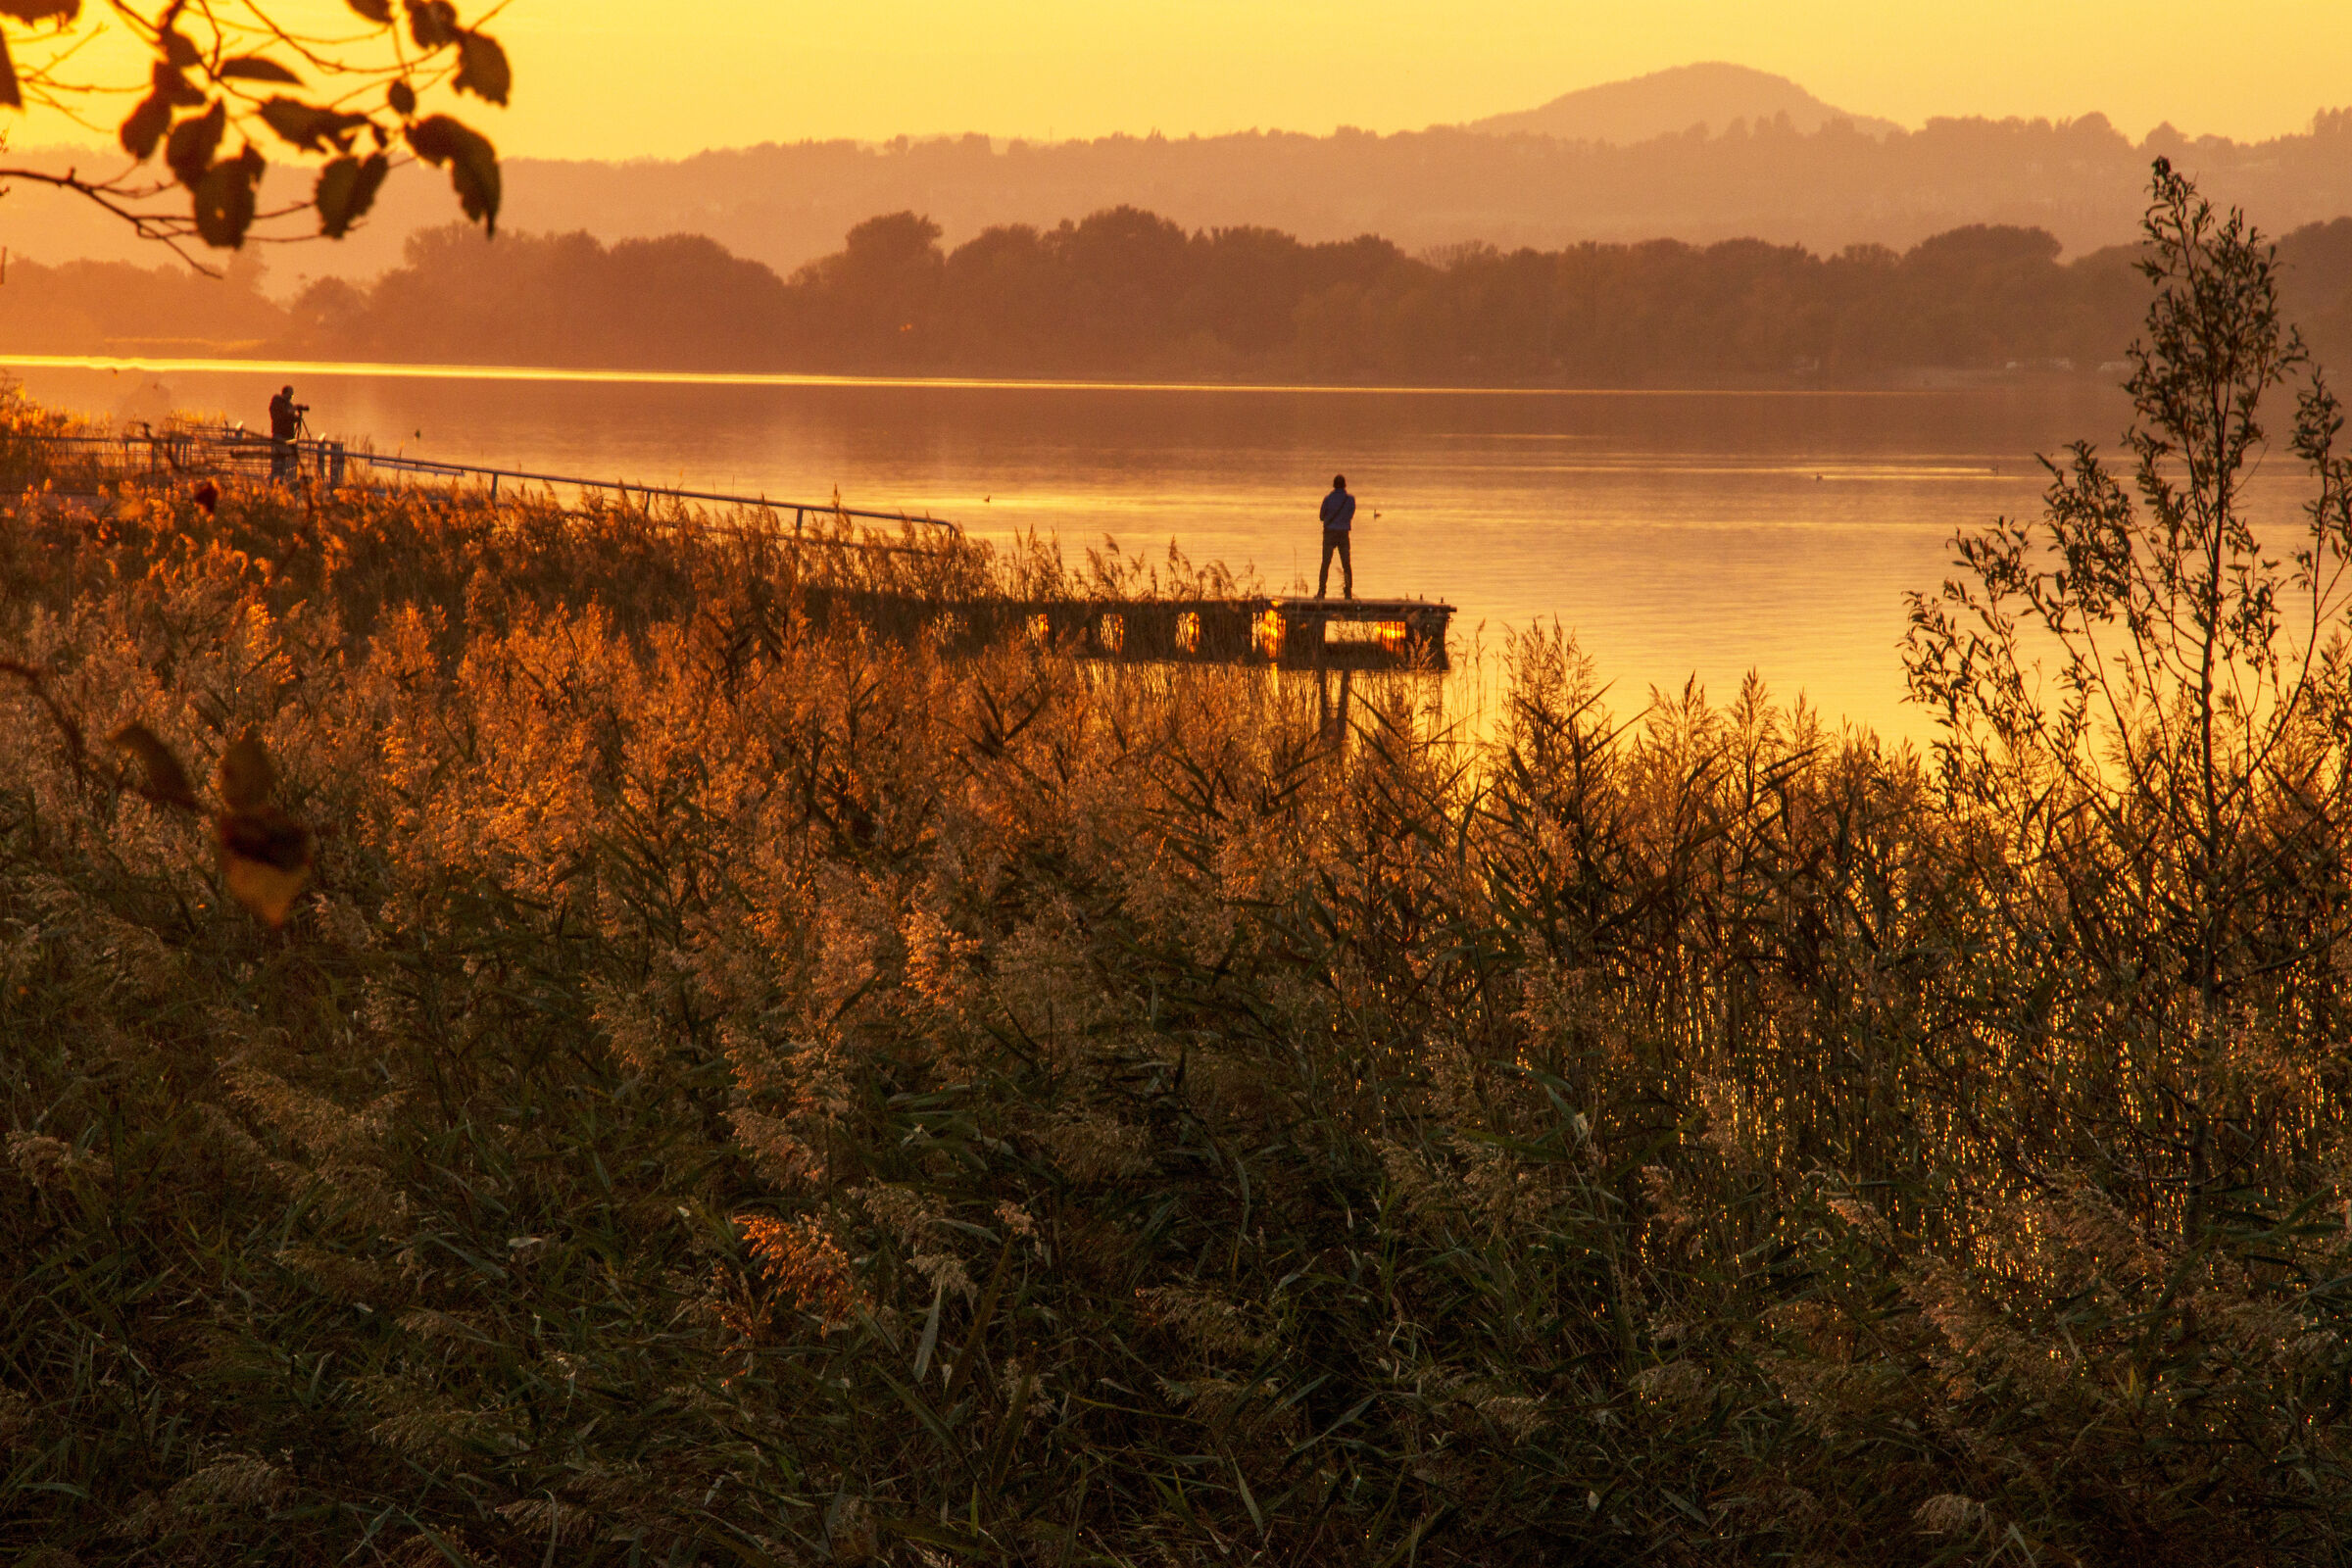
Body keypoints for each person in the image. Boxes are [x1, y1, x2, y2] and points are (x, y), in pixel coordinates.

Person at [1316, 473, 1356, 599]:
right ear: (1345, 485)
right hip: (1343, 534)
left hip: (1329, 533)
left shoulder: (1328, 499)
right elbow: (1350, 515)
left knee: (1325, 563)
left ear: (1333, 485)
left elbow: (1322, 517)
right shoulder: (1350, 500)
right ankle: (1348, 591)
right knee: (1346, 564)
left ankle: (1322, 591)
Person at [268, 384, 307, 480]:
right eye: (290, 394)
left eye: (292, 395)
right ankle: (275, 481)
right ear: (284, 393)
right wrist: (292, 410)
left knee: (288, 463)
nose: (291, 397)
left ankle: (287, 482)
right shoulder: (276, 402)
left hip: (288, 437)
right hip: (279, 436)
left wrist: (296, 418)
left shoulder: (288, 405)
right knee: (278, 462)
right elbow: (280, 417)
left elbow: (288, 417)